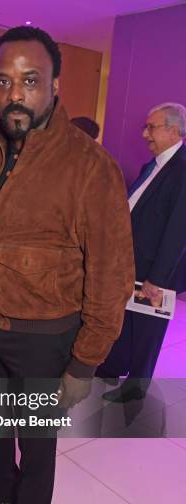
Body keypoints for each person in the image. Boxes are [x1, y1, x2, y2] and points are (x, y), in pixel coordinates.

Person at [0, 26, 134, 504]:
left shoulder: (90, 167)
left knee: (36, 446)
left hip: (45, 339)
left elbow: (111, 279)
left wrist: (83, 365)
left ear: (55, 85)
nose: (16, 94)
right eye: (4, 81)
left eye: (30, 81)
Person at [98, 102, 186, 403]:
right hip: (133, 263)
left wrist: (157, 279)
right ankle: (111, 366)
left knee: (148, 330)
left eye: (152, 127)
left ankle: (136, 388)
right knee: (125, 317)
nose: (144, 133)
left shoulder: (183, 169)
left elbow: (178, 232)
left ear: (173, 131)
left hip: (157, 271)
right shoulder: (154, 164)